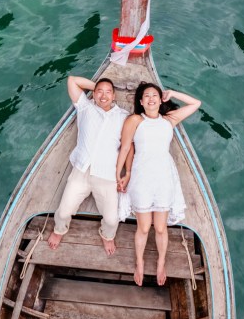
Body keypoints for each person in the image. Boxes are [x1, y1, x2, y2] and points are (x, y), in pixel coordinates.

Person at [116, 82, 201, 286]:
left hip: (164, 176)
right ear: (141, 102)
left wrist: (172, 93)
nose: (151, 98)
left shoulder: (168, 120)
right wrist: (120, 173)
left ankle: (161, 262)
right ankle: (140, 262)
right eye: (147, 96)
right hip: (142, 176)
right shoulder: (134, 120)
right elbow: (126, 147)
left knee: (161, 228)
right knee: (144, 227)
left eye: (155, 95)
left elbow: (196, 103)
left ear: (160, 99)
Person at [47, 76, 129, 256]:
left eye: (108, 92)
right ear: (93, 94)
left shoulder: (124, 117)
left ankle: (107, 236)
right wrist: (97, 87)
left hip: (106, 175)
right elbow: (71, 80)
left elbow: (129, 146)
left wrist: (127, 173)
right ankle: (59, 230)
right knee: (62, 213)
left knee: (111, 220)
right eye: (99, 92)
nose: (103, 95)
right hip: (81, 170)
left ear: (114, 96)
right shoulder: (85, 107)